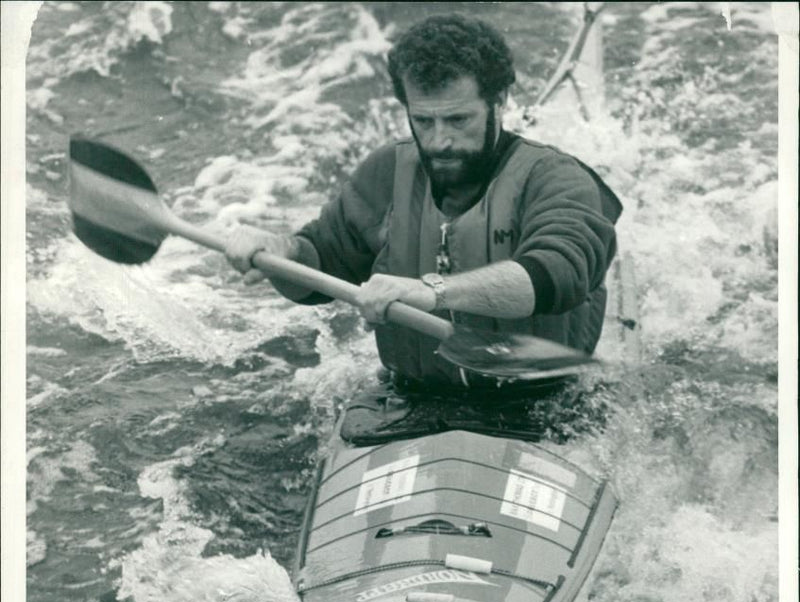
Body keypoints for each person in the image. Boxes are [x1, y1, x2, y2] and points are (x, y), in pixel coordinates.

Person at [226, 13, 622, 392]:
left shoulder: (556, 178)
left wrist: (432, 291)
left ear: (499, 101)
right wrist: (280, 251)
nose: (439, 142)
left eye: (458, 120)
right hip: (413, 397)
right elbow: (318, 267)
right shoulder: (388, 171)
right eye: (423, 121)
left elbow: (557, 274)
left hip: (541, 401)